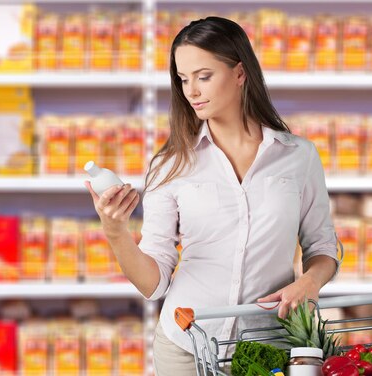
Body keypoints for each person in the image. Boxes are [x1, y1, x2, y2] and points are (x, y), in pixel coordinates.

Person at [85, 16, 339, 375]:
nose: (191, 91)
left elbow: (323, 247)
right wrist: (115, 232)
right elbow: (154, 284)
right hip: (187, 345)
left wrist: (310, 282)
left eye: (203, 76)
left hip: (265, 348)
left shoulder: (297, 156)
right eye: (183, 79)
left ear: (239, 73)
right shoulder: (170, 164)